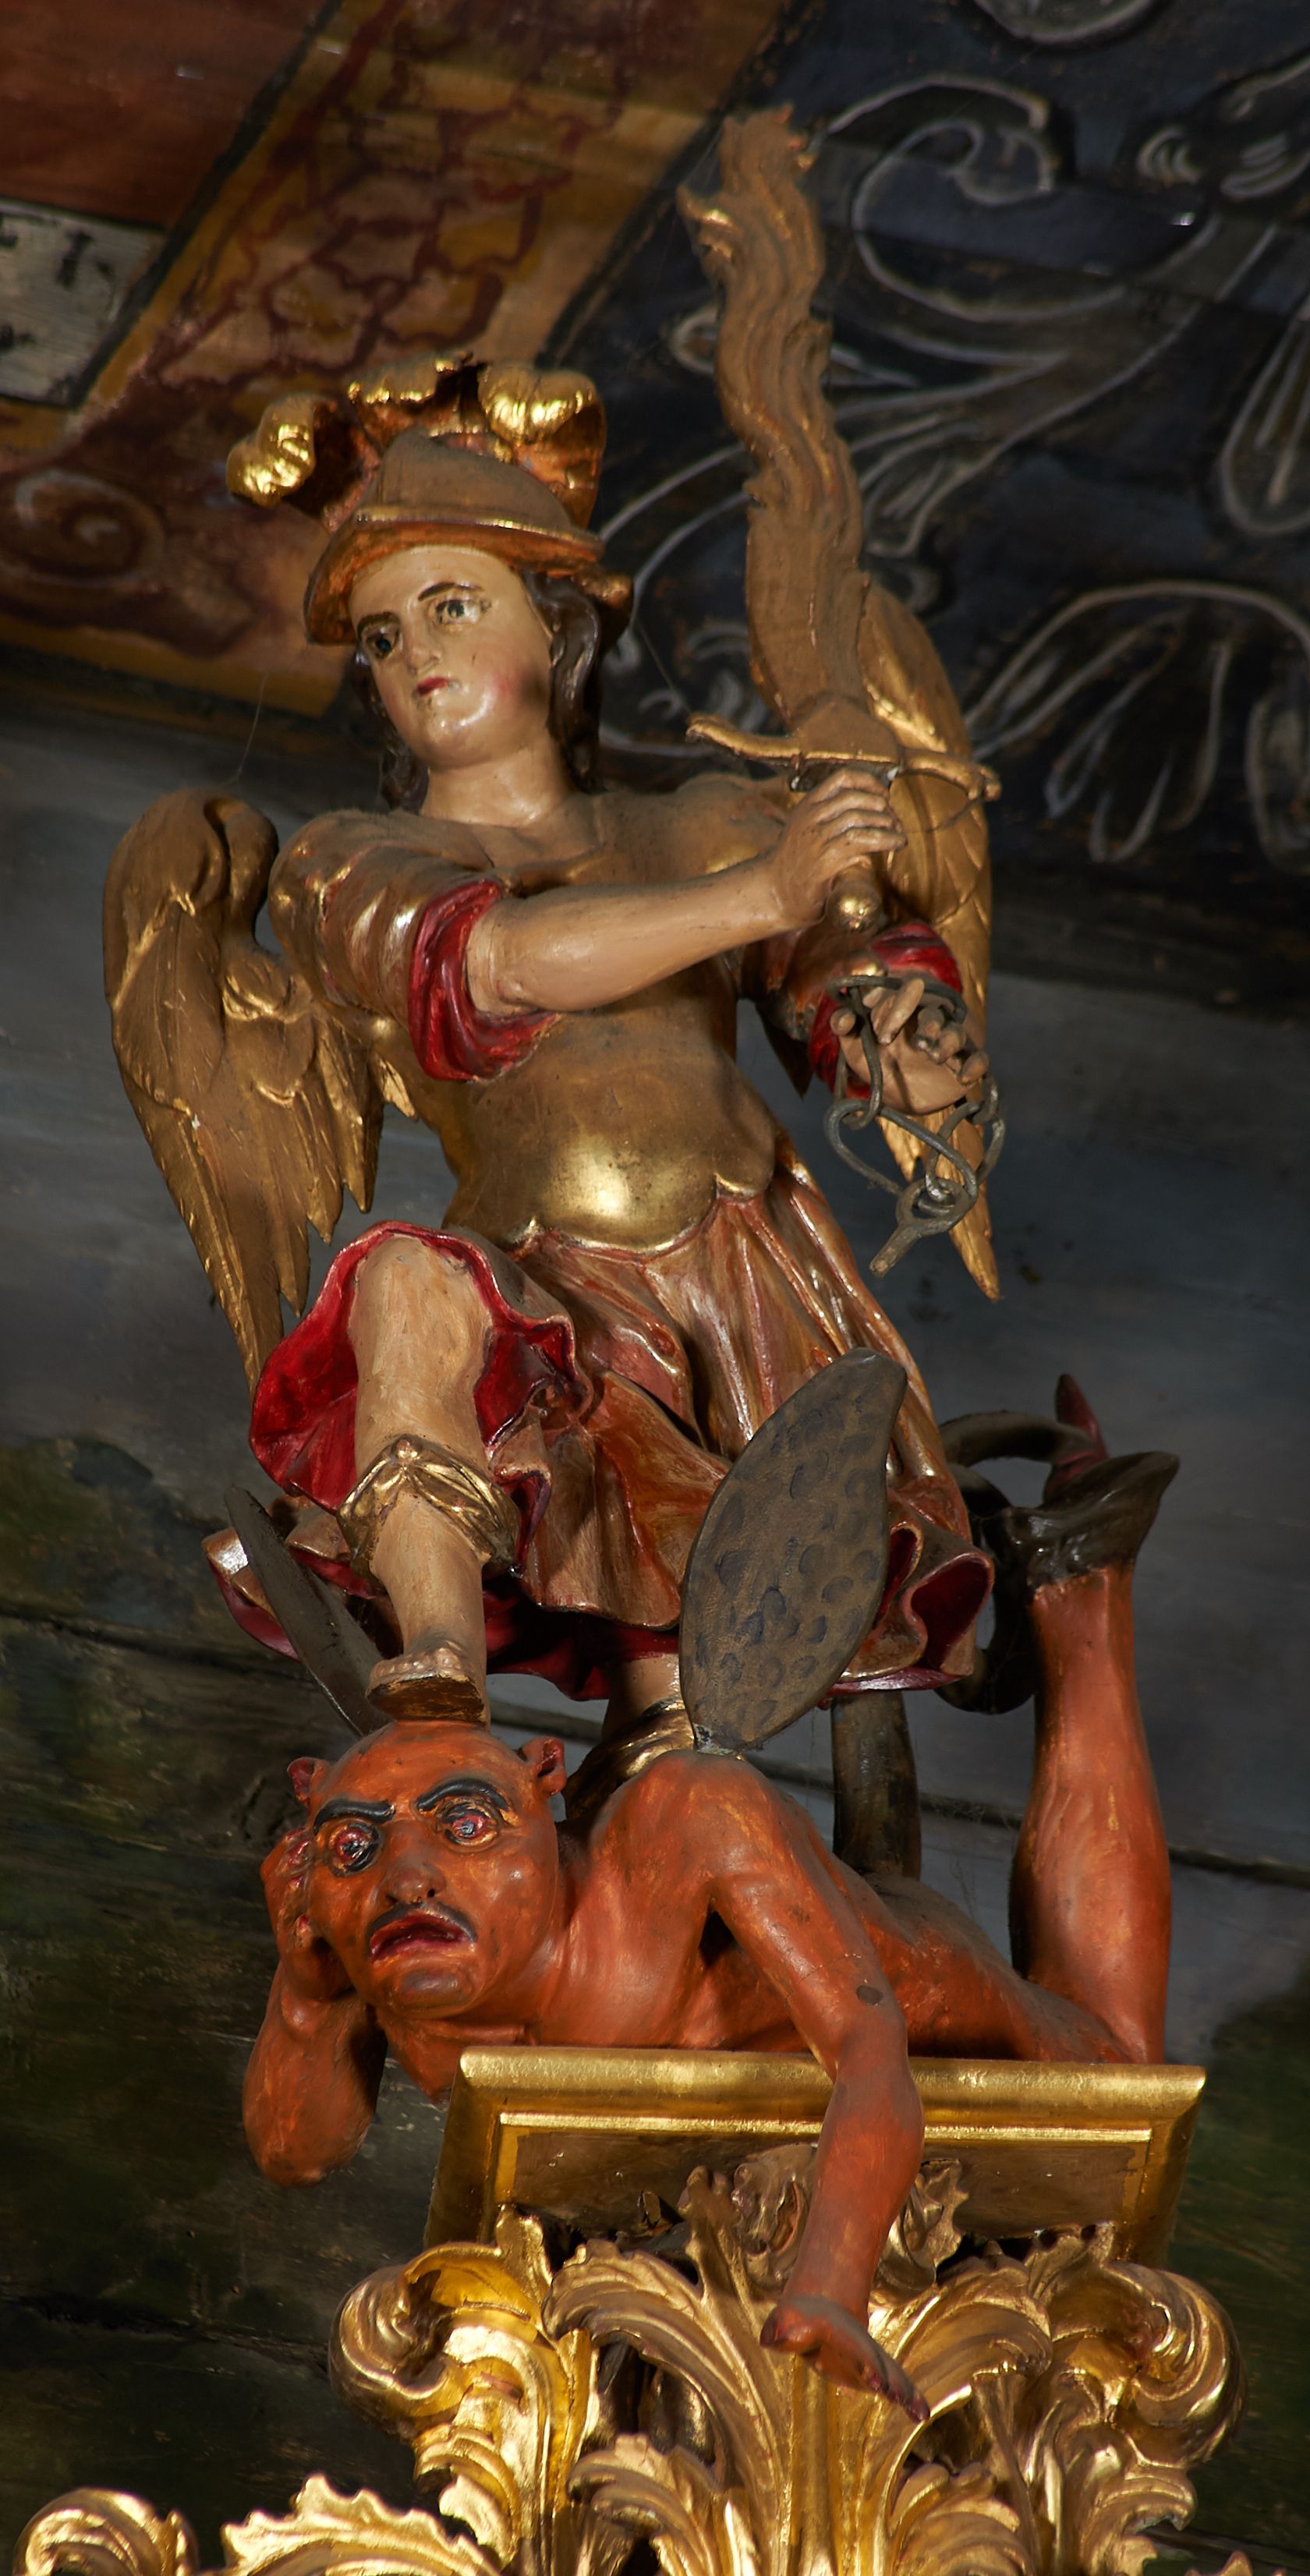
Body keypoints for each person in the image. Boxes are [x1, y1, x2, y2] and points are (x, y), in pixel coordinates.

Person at [202, 363, 995, 1757]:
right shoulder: (353, 864)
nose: (416, 653)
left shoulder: (707, 822)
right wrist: (768, 891)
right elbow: (498, 964)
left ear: (554, 625)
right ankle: (438, 1662)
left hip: (741, 1287)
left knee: (686, 1731)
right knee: (402, 1283)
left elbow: (860, 1013)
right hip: (543, 1301)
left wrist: (907, 1030)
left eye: (454, 607)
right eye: (383, 636)